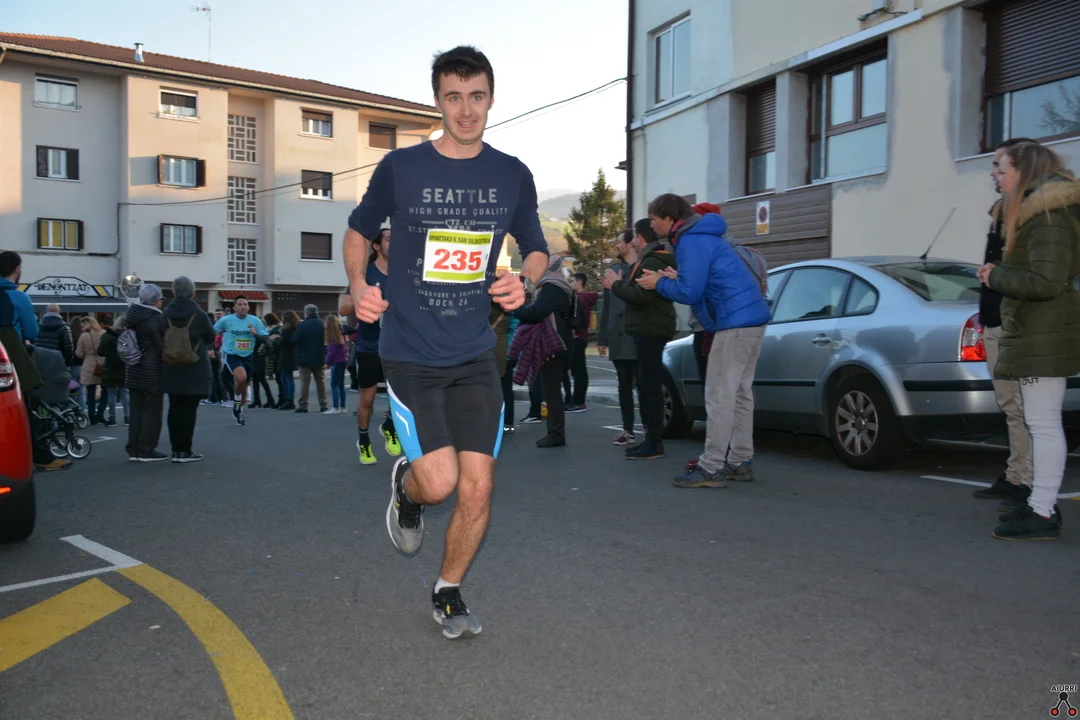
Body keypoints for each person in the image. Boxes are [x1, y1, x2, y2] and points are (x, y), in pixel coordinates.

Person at [344, 45, 548, 639]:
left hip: (475, 353)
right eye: (453, 97)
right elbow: (357, 231)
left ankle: (448, 590)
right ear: (438, 101)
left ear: (491, 99)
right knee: (439, 483)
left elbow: (536, 246)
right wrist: (359, 284)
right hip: (410, 353)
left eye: (476, 96)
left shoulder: (511, 174)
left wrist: (525, 279)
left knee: (478, 485)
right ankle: (407, 489)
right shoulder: (401, 167)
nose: (466, 110)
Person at [978, 141, 1080, 541]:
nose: (994, 174)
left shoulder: (1047, 216)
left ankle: (1042, 511)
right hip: (1039, 328)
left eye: (1000, 168)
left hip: (1044, 330)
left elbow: (1045, 282)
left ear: (1023, 171)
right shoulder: (1040, 212)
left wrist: (996, 275)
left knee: (1043, 423)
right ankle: (1040, 503)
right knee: (1040, 421)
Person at [640, 195, 771, 487]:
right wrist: (676, 278)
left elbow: (691, 293)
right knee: (740, 395)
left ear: (669, 218)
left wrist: (659, 283)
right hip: (752, 320)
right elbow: (707, 281)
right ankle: (740, 461)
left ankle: (711, 467)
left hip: (734, 324)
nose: (651, 224)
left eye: (654, 218)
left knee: (719, 396)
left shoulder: (690, 241)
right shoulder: (705, 235)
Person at [973, 138, 1039, 504]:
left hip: (1014, 323)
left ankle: (1027, 482)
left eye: (999, 167)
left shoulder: (1031, 213)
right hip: (995, 320)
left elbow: (1031, 275)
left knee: (1024, 408)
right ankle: (1017, 475)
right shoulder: (1002, 212)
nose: (993, 174)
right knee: (1011, 406)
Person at [606, 218, 677, 460]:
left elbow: (641, 296)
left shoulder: (652, 260)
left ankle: (654, 442)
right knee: (647, 386)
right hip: (650, 327)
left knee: (650, 387)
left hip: (650, 328)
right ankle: (651, 440)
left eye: (635, 236)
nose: (633, 241)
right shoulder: (652, 258)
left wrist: (616, 284)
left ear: (641, 238)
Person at [0, 251, 69, 472]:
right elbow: (32, 331)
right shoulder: (18, 297)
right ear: (17, 269)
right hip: (11, 357)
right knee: (25, 406)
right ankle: (41, 457)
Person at [340, 229, 401, 464]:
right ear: (377, 246)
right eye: (390, 239)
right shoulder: (365, 273)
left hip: (398, 344)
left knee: (402, 394)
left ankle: (389, 425)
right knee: (368, 396)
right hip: (370, 344)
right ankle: (364, 441)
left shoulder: (403, 273)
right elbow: (343, 307)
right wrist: (364, 299)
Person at [514, 255, 574, 448]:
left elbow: (537, 312)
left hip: (553, 344)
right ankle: (555, 432)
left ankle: (556, 434)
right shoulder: (561, 286)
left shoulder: (551, 287)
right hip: (560, 343)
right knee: (552, 389)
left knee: (551, 391)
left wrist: (516, 310)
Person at [160, 276, 216, 462]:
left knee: (174, 408)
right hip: (194, 366)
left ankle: (176, 450)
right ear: (193, 292)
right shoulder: (198, 314)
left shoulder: (166, 313)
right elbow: (211, 336)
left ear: (173, 291)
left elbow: (160, 335)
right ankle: (185, 450)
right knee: (189, 410)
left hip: (171, 365)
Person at [598, 229, 639, 446]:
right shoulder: (612, 271)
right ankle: (628, 429)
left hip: (638, 335)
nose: (616, 245)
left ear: (630, 243)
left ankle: (651, 428)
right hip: (617, 337)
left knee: (645, 385)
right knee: (624, 386)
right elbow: (606, 308)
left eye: (619, 242)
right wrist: (602, 338)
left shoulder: (641, 268)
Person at [124, 284, 168, 462]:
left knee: (136, 410)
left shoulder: (131, 316)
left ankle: (133, 447)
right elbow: (162, 347)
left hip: (133, 367)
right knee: (152, 410)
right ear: (156, 301)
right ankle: (146, 449)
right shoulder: (155, 319)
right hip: (152, 370)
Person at [213, 296, 268, 426]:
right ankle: (237, 402)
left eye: (245, 304)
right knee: (241, 378)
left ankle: (238, 407)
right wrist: (211, 347)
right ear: (234, 307)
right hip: (231, 354)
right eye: (240, 304)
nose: (243, 306)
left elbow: (266, 339)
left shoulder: (255, 321)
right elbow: (212, 332)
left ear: (248, 307)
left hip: (248, 356)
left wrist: (255, 334)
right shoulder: (226, 320)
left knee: (244, 386)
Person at [567, 273, 598, 413]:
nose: (570, 284)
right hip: (581, 335)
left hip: (577, 336)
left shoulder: (580, 298)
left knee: (578, 369)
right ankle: (577, 400)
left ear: (579, 282)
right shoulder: (583, 297)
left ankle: (579, 401)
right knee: (577, 369)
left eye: (572, 281)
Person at [290, 304, 327, 414]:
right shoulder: (323, 324)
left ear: (306, 313)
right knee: (320, 382)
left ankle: (303, 405)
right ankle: (323, 404)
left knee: (305, 382)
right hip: (320, 357)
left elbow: (295, 340)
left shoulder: (302, 325)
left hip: (304, 357)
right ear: (317, 312)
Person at [75, 317, 107, 425]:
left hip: (89, 365)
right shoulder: (103, 333)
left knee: (90, 392)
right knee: (105, 391)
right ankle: (100, 412)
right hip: (102, 364)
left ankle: (92, 416)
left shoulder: (84, 336)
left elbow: (79, 353)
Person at [97, 318, 128, 426]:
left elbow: (100, 351)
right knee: (125, 393)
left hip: (110, 367)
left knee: (111, 394)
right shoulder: (127, 336)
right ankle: (127, 417)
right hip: (124, 366)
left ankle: (112, 418)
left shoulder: (107, 336)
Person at [324, 314, 349, 414]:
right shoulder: (342, 333)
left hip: (336, 362)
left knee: (334, 384)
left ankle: (335, 407)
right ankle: (342, 407)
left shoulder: (333, 337)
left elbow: (331, 353)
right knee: (341, 385)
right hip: (343, 361)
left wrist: (327, 363)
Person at [275, 310, 299, 411]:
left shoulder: (287, 329)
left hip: (286, 356)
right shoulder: (295, 327)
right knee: (286, 377)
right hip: (292, 356)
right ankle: (288, 399)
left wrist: (276, 339)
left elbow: (282, 343)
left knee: (286, 378)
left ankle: (289, 400)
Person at [204, 309, 226, 406]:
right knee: (217, 376)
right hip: (218, 353)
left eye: (220, 314)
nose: (218, 316)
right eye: (217, 314)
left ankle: (215, 397)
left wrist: (210, 349)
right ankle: (220, 397)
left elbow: (211, 340)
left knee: (214, 376)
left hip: (217, 353)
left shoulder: (217, 327)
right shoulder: (218, 326)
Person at [262, 313, 283, 408]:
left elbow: (273, 343)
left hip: (275, 357)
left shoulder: (275, 330)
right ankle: (282, 398)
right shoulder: (276, 328)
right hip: (275, 357)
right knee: (279, 379)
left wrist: (269, 341)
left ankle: (282, 399)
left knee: (280, 379)